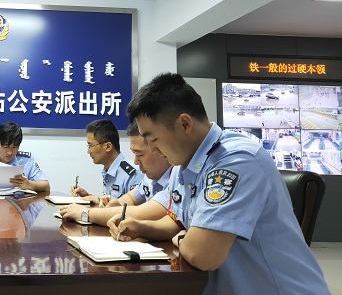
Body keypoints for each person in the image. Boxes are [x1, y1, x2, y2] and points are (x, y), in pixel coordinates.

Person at [108, 73, 329, 295]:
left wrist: (184, 238)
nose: (152, 149)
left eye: (154, 139)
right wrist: (141, 227)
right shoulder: (183, 166)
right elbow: (178, 224)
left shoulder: (236, 161)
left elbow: (203, 255)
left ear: (185, 124)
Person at [60, 120, 171, 225]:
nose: (136, 162)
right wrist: (111, 203)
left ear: (160, 149)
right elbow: (130, 198)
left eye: (140, 154)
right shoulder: (149, 179)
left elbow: (140, 213)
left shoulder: (173, 178)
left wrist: (85, 213)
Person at [70, 119, 143, 203]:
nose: (88, 151)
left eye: (91, 146)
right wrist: (88, 197)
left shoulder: (134, 174)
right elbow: (111, 204)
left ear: (108, 147)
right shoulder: (108, 171)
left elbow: (132, 209)